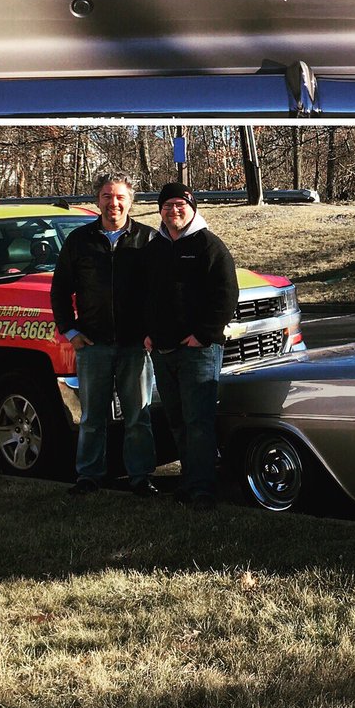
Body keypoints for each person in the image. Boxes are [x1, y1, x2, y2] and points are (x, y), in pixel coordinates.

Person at [51, 171, 157, 497]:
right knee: (92, 417)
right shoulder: (79, 241)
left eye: (120, 197)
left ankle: (140, 478)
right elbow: (59, 291)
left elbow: (161, 292)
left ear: (131, 201)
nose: (114, 203)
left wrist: (153, 332)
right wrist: (70, 331)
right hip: (93, 344)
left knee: (138, 418)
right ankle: (89, 476)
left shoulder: (148, 240)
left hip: (134, 346)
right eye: (107, 196)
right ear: (98, 200)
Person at [145, 182, 238, 511]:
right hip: (163, 350)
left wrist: (204, 334)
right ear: (160, 211)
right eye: (167, 205)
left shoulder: (209, 246)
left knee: (198, 420)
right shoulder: (154, 248)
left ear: (193, 208)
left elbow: (226, 296)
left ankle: (203, 489)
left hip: (199, 351)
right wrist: (148, 333)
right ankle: (188, 480)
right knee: (177, 419)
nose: (174, 211)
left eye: (180, 205)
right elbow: (145, 295)